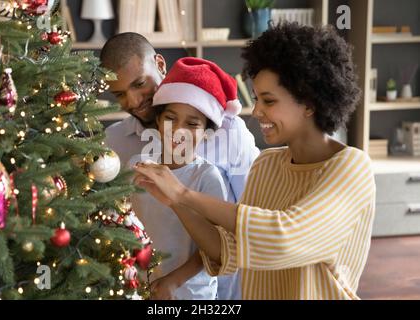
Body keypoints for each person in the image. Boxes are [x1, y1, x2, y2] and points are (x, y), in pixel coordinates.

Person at [133, 22, 376, 300]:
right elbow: (228, 251)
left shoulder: (351, 167)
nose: (256, 110)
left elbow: (283, 238)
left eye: (269, 101)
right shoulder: (266, 164)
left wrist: (183, 194)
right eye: (257, 99)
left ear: (309, 103)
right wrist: (175, 201)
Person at [100, 33, 257, 299]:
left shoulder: (230, 133)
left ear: (160, 64)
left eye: (139, 84)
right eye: (120, 94)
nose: (134, 101)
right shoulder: (116, 142)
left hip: (218, 290)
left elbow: (250, 216)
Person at [131, 57, 241, 299]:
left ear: (207, 132)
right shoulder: (137, 167)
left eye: (192, 124)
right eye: (170, 119)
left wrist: (172, 281)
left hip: (191, 293)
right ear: (158, 121)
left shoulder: (206, 177)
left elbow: (213, 247)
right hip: (139, 289)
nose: (178, 130)